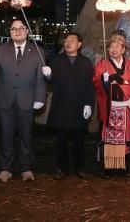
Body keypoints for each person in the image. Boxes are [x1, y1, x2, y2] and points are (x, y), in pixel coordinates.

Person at [0, 18, 48, 182]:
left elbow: (41, 76)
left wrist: (40, 97)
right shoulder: (1, 49)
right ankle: (6, 168)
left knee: (26, 136)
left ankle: (26, 168)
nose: (17, 31)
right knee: (6, 136)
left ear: (27, 31)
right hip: (5, 100)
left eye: (21, 28)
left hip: (27, 99)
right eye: (14, 29)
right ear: (10, 32)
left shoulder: (37, 50)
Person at [92, 30, 130, 177]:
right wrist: (103, 80)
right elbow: (96, 84)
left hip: (126, 107)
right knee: (109, 138)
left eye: (117, 46)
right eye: (111, 46)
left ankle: (122, 165)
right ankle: (109, 166)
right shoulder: (102, 66)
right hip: (110, 107)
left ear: (123, 49)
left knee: (125, 137)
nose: (113, 49)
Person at [45, 32, 94, 180]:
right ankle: (61, 168)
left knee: (79, 141)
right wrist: (47, 75)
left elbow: (89, 85)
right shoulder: (56, 61)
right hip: (61, 107)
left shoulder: (86, 63)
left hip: (79, 107)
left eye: (72, 40)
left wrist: (88, 104)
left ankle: (80, 168)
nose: (68, 42)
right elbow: (51, 82)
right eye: (66, 40)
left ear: (79, 44)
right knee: (61, 141)